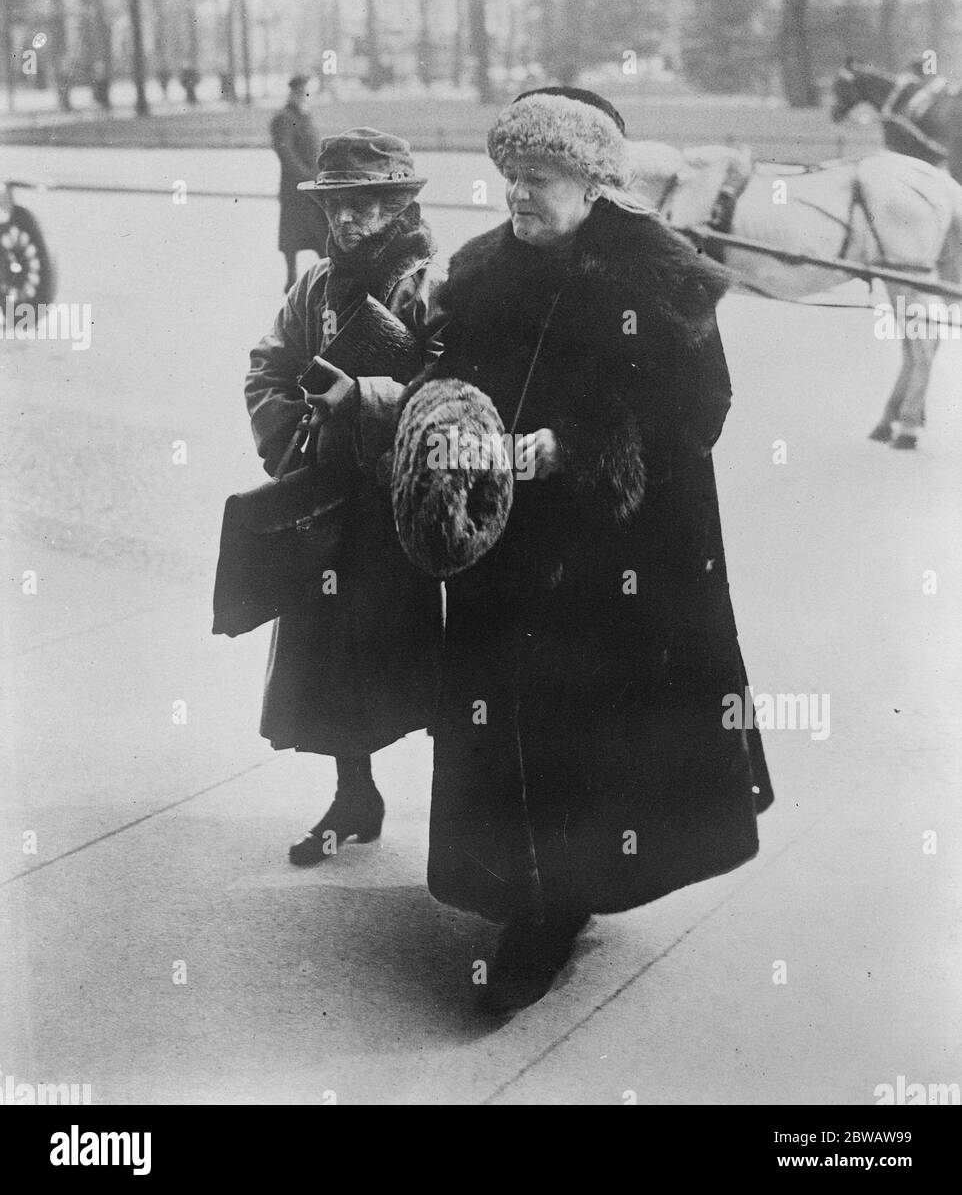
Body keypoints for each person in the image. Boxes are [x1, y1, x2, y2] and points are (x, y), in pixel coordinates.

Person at [395, 87, 774, 1015]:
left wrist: (573, 445)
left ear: (594, 181)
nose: (517, 196)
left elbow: (700, 412)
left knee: (581, 727)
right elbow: (448, 370)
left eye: (538, 178)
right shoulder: (483, 268)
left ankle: (553, 910)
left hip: (616, 553)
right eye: (509, 177)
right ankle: (517, 885)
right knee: (503, 718)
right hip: (504, 542)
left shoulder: (661, 276)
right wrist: (444, 415)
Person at [245, 128, 445, 866]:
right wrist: (298, 431)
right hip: (332, 506)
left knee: (431, 661)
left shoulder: (430, 285)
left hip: (413, 510)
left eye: (364, 206)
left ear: (398, 206)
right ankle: (353, 794)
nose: (346, 223)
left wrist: (364, 398)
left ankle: (459, 821)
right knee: (331, 659)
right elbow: (266, 369)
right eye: (335, 208)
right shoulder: (317, 288)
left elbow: (454, 393)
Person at [270, 74, 329, 291]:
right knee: (292, 237)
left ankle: (325, 275)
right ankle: (291, 278)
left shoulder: (305, 115)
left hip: (313, 184)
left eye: (307, 92)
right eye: (301, 92)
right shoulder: (284, 118)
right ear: (293, 93)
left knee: (320, 234)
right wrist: (305, 175)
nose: (305, 96)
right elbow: (285, 152)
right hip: (294, 187)